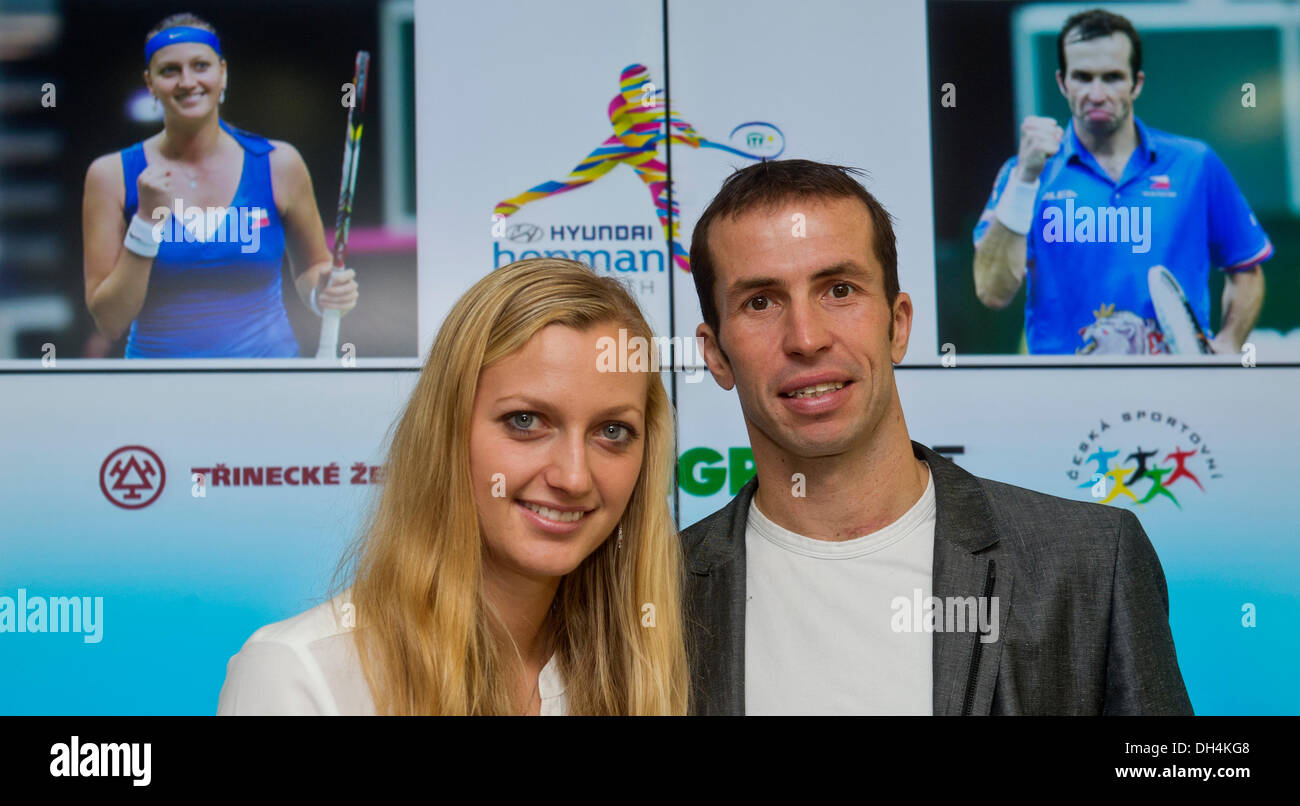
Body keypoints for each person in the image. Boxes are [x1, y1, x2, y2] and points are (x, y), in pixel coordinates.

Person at [684, 158, 1193, 714]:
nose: (806, 338)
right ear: (715, 354)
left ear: (898, 324)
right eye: (760, 302)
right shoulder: (656, 593)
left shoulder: (1090, 560)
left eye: (839, 290)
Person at [217, 258, 688, 715]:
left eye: (612, 432)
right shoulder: (301, 674)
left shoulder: (651, 670)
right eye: (525, 421)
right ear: (446, 432)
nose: (572, 477)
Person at [972, 8, 1271, 355]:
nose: (1097, 93)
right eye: (1082, 77)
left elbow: (1246, 269)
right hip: (1063, 392)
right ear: (1062, 82)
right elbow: (992, 292)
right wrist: (1025, 178)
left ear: (1136, 83)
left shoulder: (1195, 164)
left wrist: (1230, 342)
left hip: (1178, 389)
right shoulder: (1023, 174)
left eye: (1112, 77)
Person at [82, 13, 359, 358]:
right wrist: (146, 224)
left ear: (222, 73)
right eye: (170, 70)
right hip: (157, 391)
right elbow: (109, 320)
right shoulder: (111, 175)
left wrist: (324, 293)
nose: (187, 81)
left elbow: (311, 269)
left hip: (269, 387)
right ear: (150, 83)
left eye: (201, 66)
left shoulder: (279, 163)